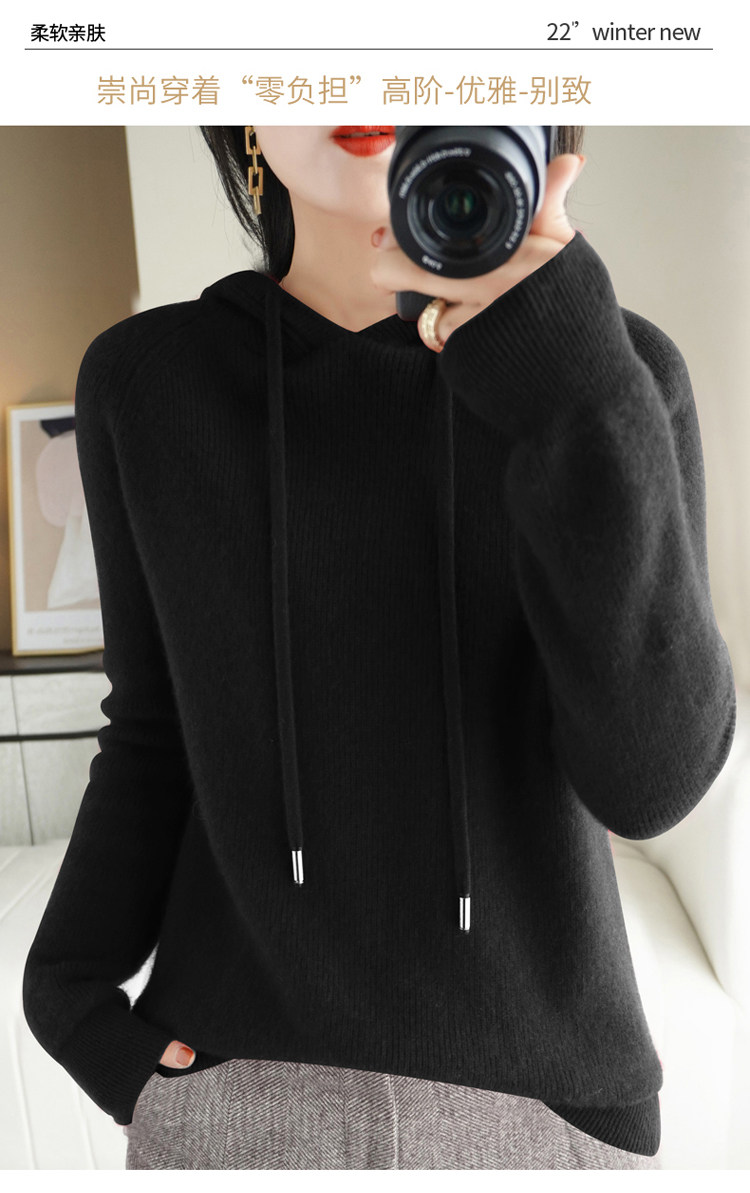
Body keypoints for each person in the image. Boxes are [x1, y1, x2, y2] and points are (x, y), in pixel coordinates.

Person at [22, 124, 736, 1170]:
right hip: (235, 1096)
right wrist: (68, 995)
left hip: (553, 1115)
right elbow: (154, 733)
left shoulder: (611, 375)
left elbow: (653, 782)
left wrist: (581, 389)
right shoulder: (147, 382)